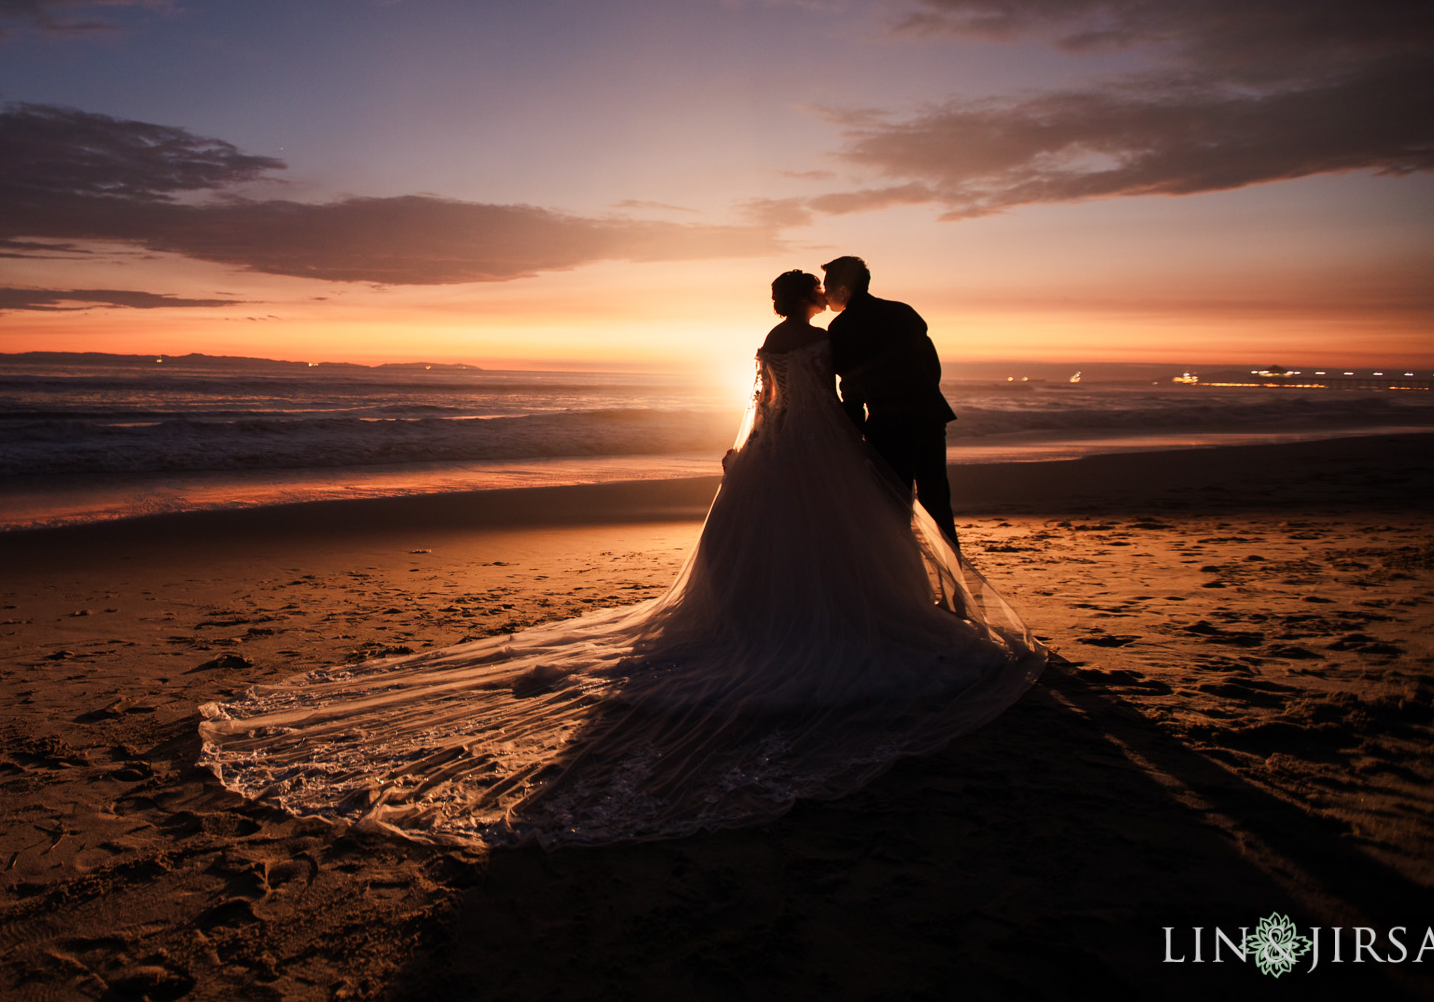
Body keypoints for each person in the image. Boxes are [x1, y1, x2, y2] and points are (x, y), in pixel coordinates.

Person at [198, 270, 1044, 848]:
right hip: (818, 449)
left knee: (759, 551)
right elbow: (827, 399)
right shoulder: (819, 342)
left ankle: (761, 620)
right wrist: (858, 435)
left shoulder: (766, 340)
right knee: (840, 546)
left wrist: (744, 447)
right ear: (810, 302)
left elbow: (760, 405)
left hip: (772, 456)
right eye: (815, 293)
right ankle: (823, 624)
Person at [821, 255, 961, 549]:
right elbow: (932, 366)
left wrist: (853, 434)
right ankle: (957, 591)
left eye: (827, 285)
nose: (824, 292)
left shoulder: (842, 327)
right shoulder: (903, 312)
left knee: (893, 508)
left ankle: (904, 585)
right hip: (929, 415)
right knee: (938, 501)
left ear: (844, 289)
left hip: (889, 424)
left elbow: (852, 388)